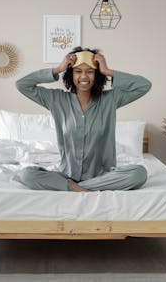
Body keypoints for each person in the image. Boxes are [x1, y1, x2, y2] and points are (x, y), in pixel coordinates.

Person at [15, 47, 152, 192]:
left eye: (90, 71)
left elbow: (144, 85)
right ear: (71, 74)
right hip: (66, 174)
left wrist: (107, 70)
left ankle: (75, 188)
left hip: (102, 176)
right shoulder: (57, 100)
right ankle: (77, 186)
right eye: (78, 71)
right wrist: (58, 69)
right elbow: (22, 85)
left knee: (139, 174)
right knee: (26, 174)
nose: (84, 76)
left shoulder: (110, 100)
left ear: (97, 75)